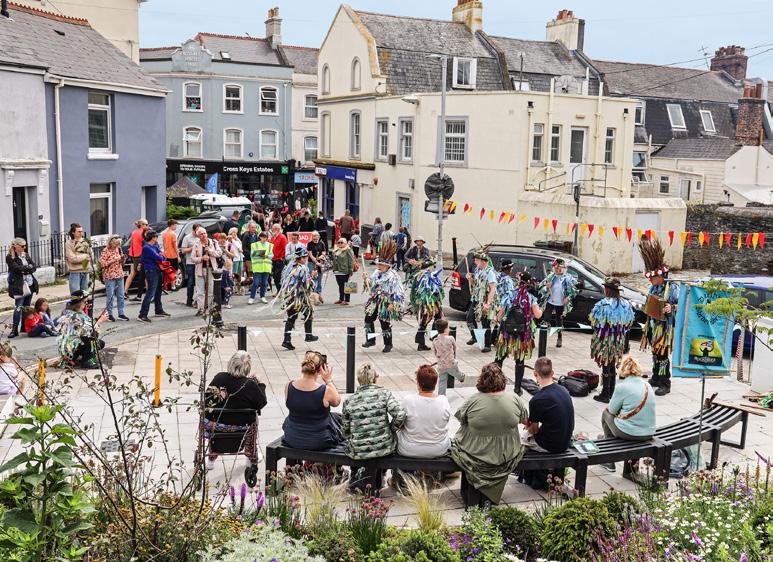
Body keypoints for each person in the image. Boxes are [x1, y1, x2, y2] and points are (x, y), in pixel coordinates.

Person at [450, 363, 529, 506]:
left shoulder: (473, 400)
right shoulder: (514, 399)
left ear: (482, 380)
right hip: (507, 454)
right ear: (502, 379)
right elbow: (526, 421)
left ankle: (474, 496)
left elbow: (461, 418)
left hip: (474, 453)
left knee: (465, 431)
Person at [204, 350, 268, 470]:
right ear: (247, 367)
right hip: (241, 425)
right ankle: (250, 456)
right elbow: (261, 403)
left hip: (215, 424)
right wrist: (261, 384)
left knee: (213, 418)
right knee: (254, 418)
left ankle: (211, 458)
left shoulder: (219, 378)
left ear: (231, 363)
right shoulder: (249, 384)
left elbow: (207, 400)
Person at [342, 363, 406, 467]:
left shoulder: (349, 401)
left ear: (358, 380)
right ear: (375, 379)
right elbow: (400, 414)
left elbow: (345, 431)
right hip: (385, 449)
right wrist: (392, 428)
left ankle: (356, 474)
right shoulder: (384, 393)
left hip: (358, 452)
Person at [601, 356, 656, 475]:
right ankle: (608, 443)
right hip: (649, 432)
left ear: (623, 370)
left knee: (605, 414)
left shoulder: (622, 387)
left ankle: (608, 458)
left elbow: (611, 410)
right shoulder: (647, 386)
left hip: (631, 433)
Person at [638, 238, 679, 396]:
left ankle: (665, 382)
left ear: (660, 276)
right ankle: (656, 377)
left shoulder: (673, 288)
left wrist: (672, 307)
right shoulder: (653, 288)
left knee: (662, 355)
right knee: (655, 353)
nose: (650, 280)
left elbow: (682, 305)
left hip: (665, 328)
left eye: (652, 277)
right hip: (653, 325)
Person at [282, 351, 344, 450]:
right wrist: (328, 380)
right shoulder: (325, 391)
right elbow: (337, 401)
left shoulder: (288, 386)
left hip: (292, 438)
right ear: (320, 369)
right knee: (340, 420)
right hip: (320, 440)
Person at [495, 271, 543, 395]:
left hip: (507, 332)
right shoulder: (530, 297)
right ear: (529, 282)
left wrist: (500, 320)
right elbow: (538, 315)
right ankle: (517, 388)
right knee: (520, 360)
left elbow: (500, 315)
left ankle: (495, 385)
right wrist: (542, 308)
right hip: (522, 334)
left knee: (499, 358)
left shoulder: (510, 294)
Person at [590, 278, 635, 403]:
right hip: (618, 339)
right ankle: (612, 392)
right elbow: (629, 322)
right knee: (612, 363)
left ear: (608, 290)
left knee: (606, 363)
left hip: (605, 339)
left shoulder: (603, 304)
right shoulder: (626, 304)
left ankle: (605, 393)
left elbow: (595, 322)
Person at [397, 365, 451, 458]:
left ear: (418, 383)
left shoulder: (408, 400)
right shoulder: (443, 401)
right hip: (439, 449)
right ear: (435, 383)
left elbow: (400, 424)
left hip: (409, 449)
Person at [523, 357, 574, 454]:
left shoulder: (537, 400)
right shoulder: (564, 390)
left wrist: (527, 425)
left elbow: (534, 431)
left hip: (550, 446)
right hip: (565, 442)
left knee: (519, 436)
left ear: (535, 373)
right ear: (552, 373)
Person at [361, 238, 404, 353]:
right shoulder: (377, 272)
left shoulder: (393, 276)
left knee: (384, 321)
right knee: (368, 318)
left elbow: (398, 291)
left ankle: (388, 344)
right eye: (379, 264)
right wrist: (366, 279)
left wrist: (393, 303)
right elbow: (371, 284)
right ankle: (371, 340)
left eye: (381, 264)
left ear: (387, 265)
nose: (379, 266)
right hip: (375, 299)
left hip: (387, 300)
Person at [279, 247, 318, 351]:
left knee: (292, 317)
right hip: (298, 297)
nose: (306, 259)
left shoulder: (289, 266)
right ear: (299, 258)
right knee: (308, 312)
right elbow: (307, 284)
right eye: (304, 257)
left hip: (289, 296)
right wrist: (313, 278)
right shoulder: (302, 268)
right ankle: (307, 335)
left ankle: (287, 340)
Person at [57, 291, 108, 369]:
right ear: (79, 303)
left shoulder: (78, 313)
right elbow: (86, 332)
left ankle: (83, 356)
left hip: (76, 344)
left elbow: (87, 325)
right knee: (90, 340)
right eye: (85, 302)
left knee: (100, 343)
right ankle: (86, 361)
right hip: (70, 349)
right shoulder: (72, 316)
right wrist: (99, 322)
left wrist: (97, 320)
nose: (86, 304)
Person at [538, 258, 577, 349]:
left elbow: (574, 291)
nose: (557, 270)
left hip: (560, 303)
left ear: (563, 269)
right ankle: (543, 339)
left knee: (559, 321)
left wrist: (568, 298)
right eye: (555, 268)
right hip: (550, 301)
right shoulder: (551, 276)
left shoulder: (568, 278)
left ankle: (559, 338)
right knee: (546, 319)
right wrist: (546, 287)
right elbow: (541, 287)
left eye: (558, 268)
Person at [6, 238, 38, 338]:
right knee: (19, 307)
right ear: (16, 246)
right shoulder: (10, 257)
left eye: (25, 246)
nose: (24, 248)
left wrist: (26, 269)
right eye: (22, 246)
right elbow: (16, 268)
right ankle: (14, 329)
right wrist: (28, 268)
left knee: (26, 307)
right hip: (19, 285)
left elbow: (34, 267)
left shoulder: (26, 255)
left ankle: (24, 326)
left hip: (30, 283)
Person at [466, 250, 497, 353]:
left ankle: (487, 345)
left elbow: (493, 288)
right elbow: (475, 284)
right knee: (469, 318)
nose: (475, 262)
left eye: (477, 260)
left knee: (485, 323)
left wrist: (488, 303)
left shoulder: (490, 272)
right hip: (476, 299)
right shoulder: (477, 270)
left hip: (485, 300)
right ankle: (474, 336)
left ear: (483, 261)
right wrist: (470, 279)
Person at [411, 258, 444, 351]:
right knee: (430, 319)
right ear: (429, 267)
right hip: (428, 303)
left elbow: (414, 291)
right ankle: (429, 338)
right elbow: (430, 290)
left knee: (429, 320)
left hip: (424, 302)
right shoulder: (427, 276)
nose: (434, 268)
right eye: (433, 266)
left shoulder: (419, 275)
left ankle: (423, 341)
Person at [138, 230, 169, 323]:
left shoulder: (154, 246)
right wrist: (161, 257)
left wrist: (161, 256)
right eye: (156, 237)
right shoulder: (147, 248)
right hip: (151, 271)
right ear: (153, 238)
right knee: (150, 293)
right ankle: (142, 314)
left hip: (158, 270)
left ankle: (158, 310)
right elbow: (159, 257)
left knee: (158, 291)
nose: (157, 238)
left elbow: (164, 256)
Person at [190, 227, 223, 315]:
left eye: (204, 233)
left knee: (210, 290)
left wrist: (210, 251)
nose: (203, 235)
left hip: (211, 269)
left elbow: (219, 253)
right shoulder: (196, 244)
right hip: (200, 270)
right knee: (200, 291)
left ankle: (209, 308)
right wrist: (201, 258)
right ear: (198, 236)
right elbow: (192, 258)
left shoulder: (213, 242)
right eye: (201, 234)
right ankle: (201, 309)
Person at [98, 235, 129, 322]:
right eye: (116, 244)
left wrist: (123, 259)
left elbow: (121, 264)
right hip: (109, 276)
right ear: (111, 243)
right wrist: (114, 259)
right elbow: (102, 264)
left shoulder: (118, 249)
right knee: (110, 296)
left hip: (119, 274)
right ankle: (109, 314)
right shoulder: (105, 251)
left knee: (121, 295)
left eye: (119, 244)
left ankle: (121, 313)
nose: (117, 246)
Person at [432, 319, 465, 395]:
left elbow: (435, 352)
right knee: (457, 373)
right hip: (451, 364)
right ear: (445, 329)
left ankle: (441, 395)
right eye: (448, 327)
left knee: (442, 381)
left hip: (441, 365)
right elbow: (455, 348)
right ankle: (462, 377)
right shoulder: (450, 338)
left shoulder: (435, 340)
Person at [124, 219, 149, 301]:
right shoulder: (143, 233)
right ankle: (149, 293)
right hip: (140, 255)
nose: (147, 226)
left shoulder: (134, 232)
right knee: (144, 275)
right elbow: (146, 244)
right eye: (146, 224)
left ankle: (125, 291)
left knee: (132, 273)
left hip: (133, 255)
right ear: (142, 225)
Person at [65, 223, 93, 294]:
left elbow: (91, 256)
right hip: (75, 272)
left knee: (85, 294)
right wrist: (85, 256)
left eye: (82, 231)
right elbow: (72, 259)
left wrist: (79, 256)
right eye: (79, 231)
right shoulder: (69, 243)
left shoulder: (85, 242)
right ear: (73, 232)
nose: (81, 233)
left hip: (85, 271)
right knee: (76, 295)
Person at [248, 231, 273, 305]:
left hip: (266, 266)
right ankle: (252, 298)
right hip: (257, 267)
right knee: (255, 283)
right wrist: (260, 256)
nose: (264, 239)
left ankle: (263, 296)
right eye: (263, 237)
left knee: (264, 283)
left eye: (265, 237)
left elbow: (272, 255)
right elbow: (252, 255)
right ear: (260, 237)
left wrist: (267, 256)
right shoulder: (254, 245)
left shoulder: (270, 245)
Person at [180, 222, 201, 307]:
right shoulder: (187, 238)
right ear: (193, 230)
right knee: (191, 282)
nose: (199, 232)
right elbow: (183, 251)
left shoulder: (200, 237)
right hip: (190, 263)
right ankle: (189, 300)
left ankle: (197, 300)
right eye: (197, 230)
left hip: (199, 263)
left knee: (199, 282)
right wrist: (193, 248)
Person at [332, 238, 355, 305]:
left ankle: (347, 300)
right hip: (337, 271)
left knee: (347, 285)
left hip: (345, 271)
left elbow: (351, 260)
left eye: (341, 242)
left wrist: (351, 270)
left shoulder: (348, 250)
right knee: (340, 286)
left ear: (345, 243)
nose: (340, 244)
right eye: (338, 242)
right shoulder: (336, 250)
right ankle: (341, 299)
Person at [307, 231, 326, 300]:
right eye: (313, 236)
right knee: (313, 277)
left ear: (319, 236)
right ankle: (313, 292)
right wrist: (315, 261)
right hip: (312, 263)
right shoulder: (309, 244)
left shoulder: (321, 243)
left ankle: (318, 292)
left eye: (316, 236)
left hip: (320, 262)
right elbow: (310, 254)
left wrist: (320, 257)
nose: (315, 237)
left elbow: (324, 252)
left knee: (319, 277)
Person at [241, 221, 260, 289]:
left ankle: (256, 285)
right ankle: (251, 286)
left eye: (254, 227)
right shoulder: (246, 236)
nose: (253, 229)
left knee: (256, 271)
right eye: (252, 227)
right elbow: (244, 247)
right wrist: (250, 254)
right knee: (250, 271)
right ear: (249, 228)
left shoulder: (257, 235)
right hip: (248, 257)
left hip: (256, 256)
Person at [269, 223, 288, 293]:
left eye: (273, 229)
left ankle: (280, 291)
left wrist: (282, 258)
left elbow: (285, 248)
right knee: (275, 276)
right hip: (273, 259)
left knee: (278, 276)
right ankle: (279, 290)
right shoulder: (272, 238)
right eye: (272, 229)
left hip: (279, 259)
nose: (272, 230)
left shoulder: (282, 237)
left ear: (278, 229)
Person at [227, 227, 244, 295]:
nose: (234, 233)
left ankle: (239, 288)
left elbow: (241, 248)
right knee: (234, 274)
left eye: (235, 232)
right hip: (234, 258)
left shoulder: (238, 240)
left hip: (240, 258)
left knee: (240, 274)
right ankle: (233, 288)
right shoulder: (230, 239)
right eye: (233, 232)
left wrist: (241, 250)